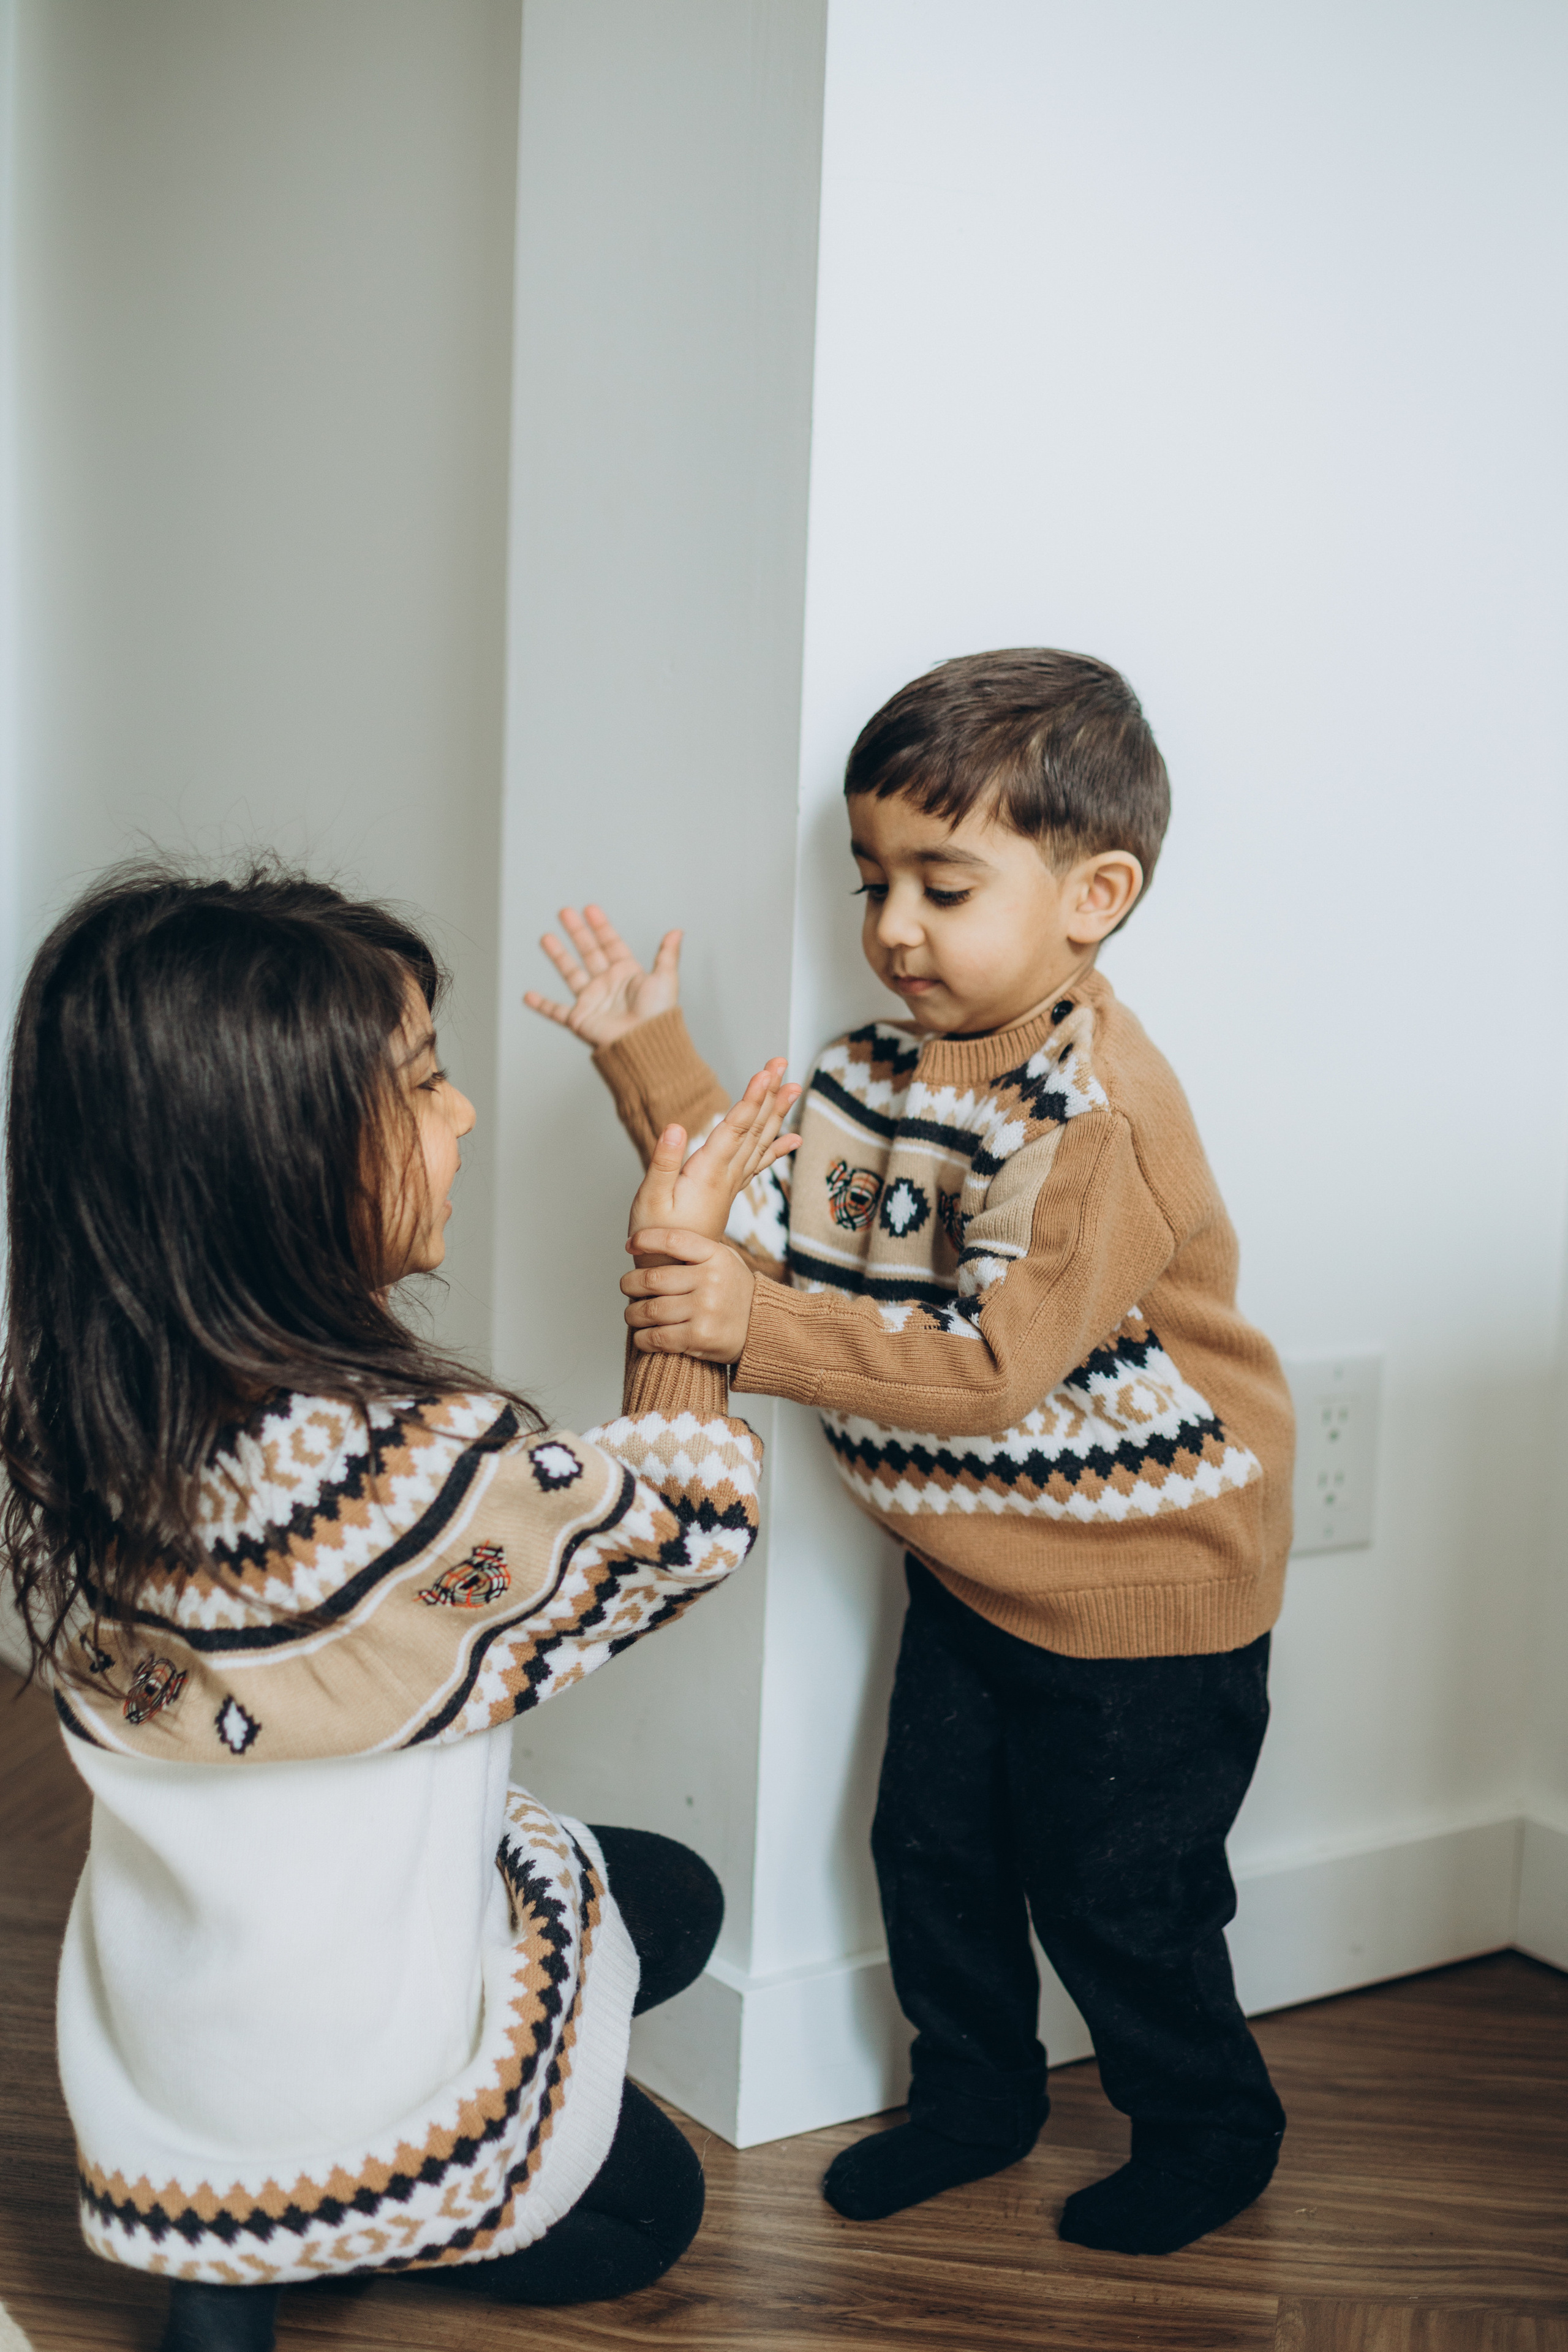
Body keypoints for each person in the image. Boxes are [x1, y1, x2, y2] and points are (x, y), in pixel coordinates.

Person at [525, 648, 1294, 2258]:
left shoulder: (1095, 1116)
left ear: (1094, 893)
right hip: (973, 1564)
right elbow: (756, 1209)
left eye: (943, 886)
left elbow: (999, 1371)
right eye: (875, 880)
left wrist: (748, 1329)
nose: (890, 926)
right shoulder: (874, 1074)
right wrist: (644, 1050)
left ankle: (1211, 2124)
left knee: (1120, 1888)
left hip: (1147, 1583)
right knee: (929, 1847)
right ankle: (973, 2099)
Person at [0, 861, 798, 2352]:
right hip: (346, 2077)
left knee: (665, 1901)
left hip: (174, 2046)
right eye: (426, 1083)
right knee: (648, 2209)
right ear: (280, 1160)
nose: (466, 1115)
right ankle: (309, 2227)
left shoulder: (70, 1421)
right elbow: (677, 1526)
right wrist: (681, 1269)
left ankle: (221, 2255)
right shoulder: (410, 1469)